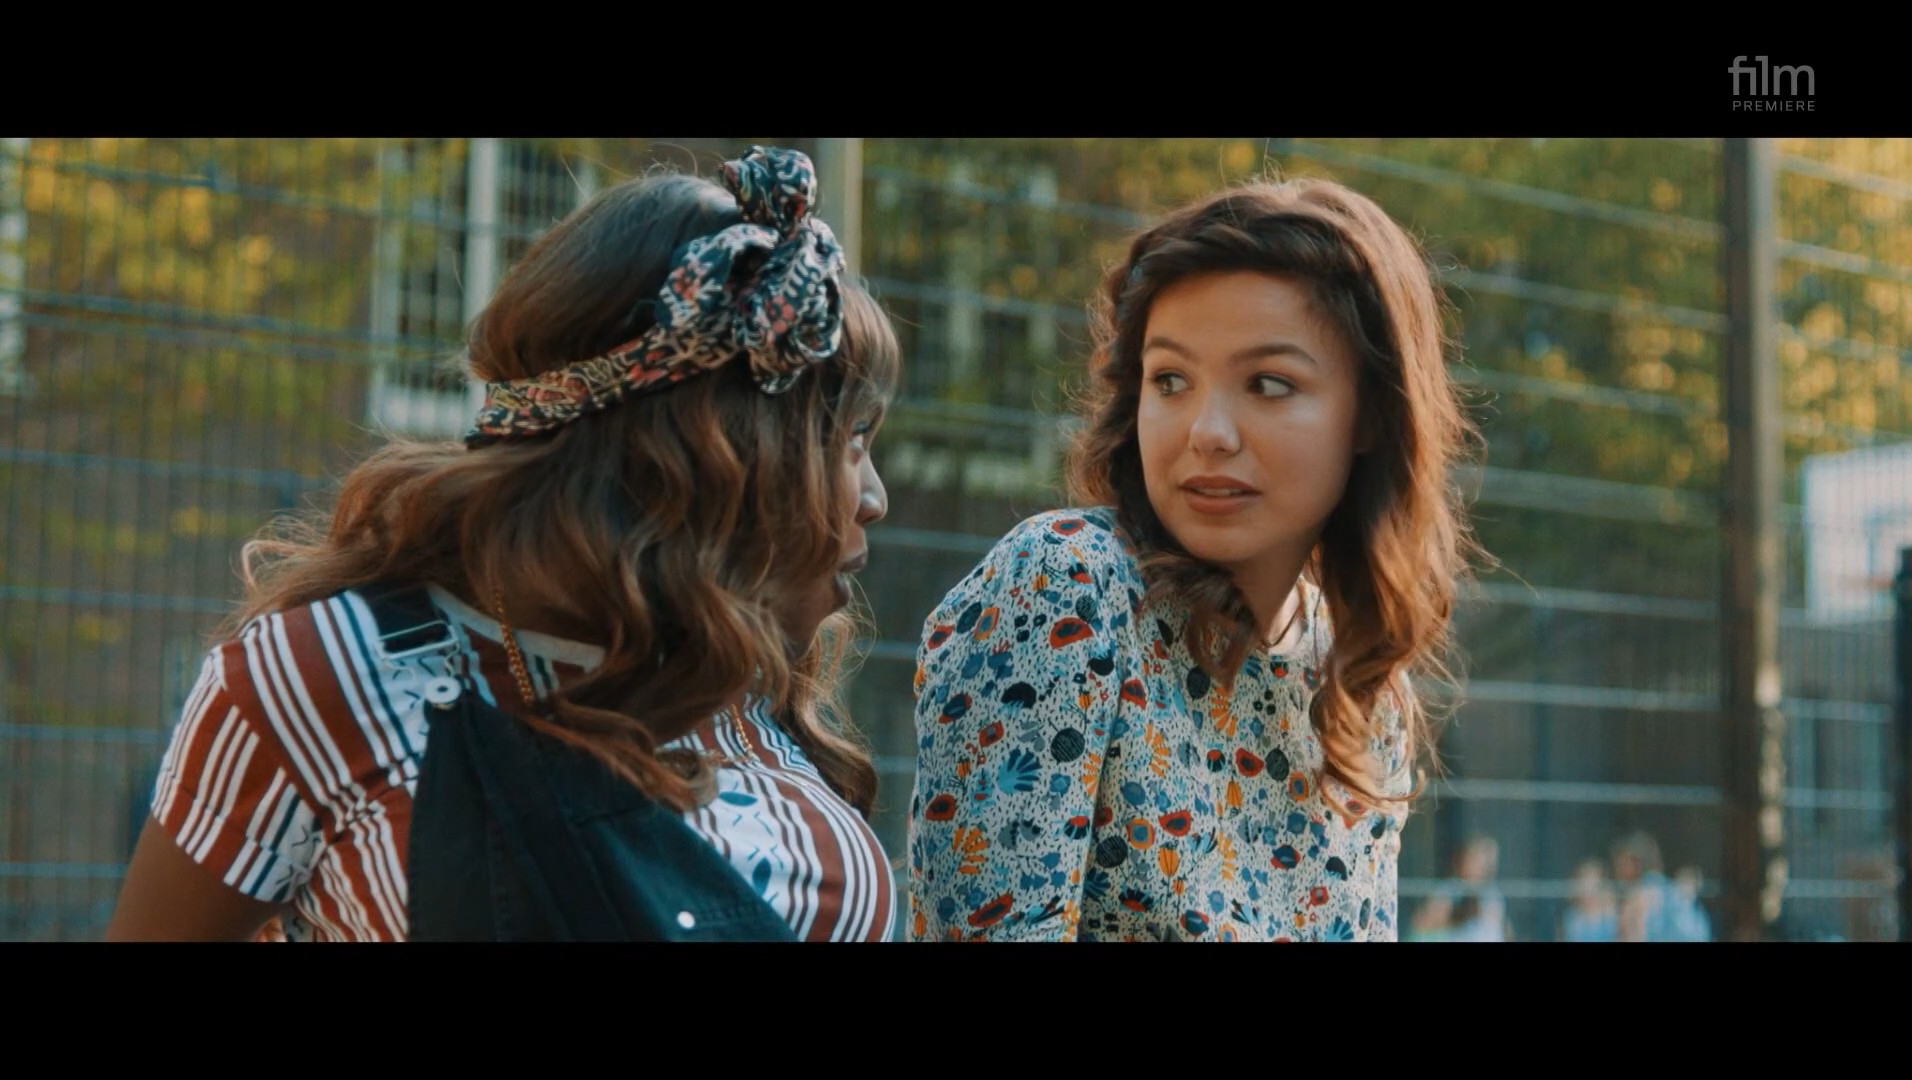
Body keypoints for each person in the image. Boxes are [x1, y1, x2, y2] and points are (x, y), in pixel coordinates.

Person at [106, 145, 902, 942]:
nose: (875, 499)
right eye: (852, 439)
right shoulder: (332, 675)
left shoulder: (748, 679)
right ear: (712, 451)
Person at [905, 176, 1481, 942]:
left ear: (1374, 413)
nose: (1206, 431)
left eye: (1268, 384)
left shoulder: (1363, 691)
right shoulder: (1065, 589)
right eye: (1170, 379)